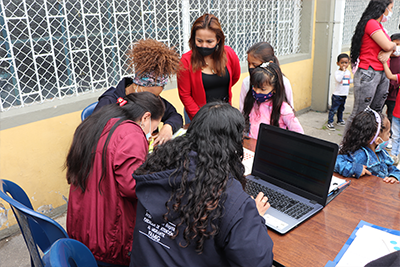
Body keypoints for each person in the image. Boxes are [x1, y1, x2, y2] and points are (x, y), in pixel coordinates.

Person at [129, 102, 274, 267]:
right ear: (233, 145)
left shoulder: (156, 168)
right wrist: (256, 218)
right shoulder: (228, 197)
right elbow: (258, 262)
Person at [65, 92, 165, 266]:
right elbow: (132, 186)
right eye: (155, 127)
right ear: (146, 117)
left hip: (81, 231)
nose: (153, 133)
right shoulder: (131, 133)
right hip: (107, 242)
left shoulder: (98, 122)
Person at [93, 39, 182, 146]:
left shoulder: (152, 99)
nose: (153, 99)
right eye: (150, 95)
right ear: (138, 86)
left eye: (156, 95)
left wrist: (168, 127)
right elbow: (96, 135)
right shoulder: (110, 101)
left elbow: (174, 115)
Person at [345, 0, 397, 134]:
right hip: (370, 73)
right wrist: (391, 46)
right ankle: (345, 147)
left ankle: (366, 144)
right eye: (390, 8)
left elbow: (391, 48)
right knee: (360, 113)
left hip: (382, 73)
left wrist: (390, 48)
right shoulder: (371, 24)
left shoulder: (380, 26)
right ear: (383, 8)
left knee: (375, 114)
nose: (391, 12)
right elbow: (388, 45)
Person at [177, 13, 241, 121]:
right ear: (194, 39)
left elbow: (235, 77)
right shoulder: (186, 60)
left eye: (209, 41)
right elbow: (185, 94)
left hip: (224, 113)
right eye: (199, 41)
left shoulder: (228, 53)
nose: (204, 46)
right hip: (197, 115)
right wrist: (202, 119)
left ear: (218, 40)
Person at [334, 107, 400, 184]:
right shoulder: (358, 154)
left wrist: (394, 176)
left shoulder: (382, 153)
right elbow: (335, 161)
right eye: (388, 133)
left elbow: (392, 168)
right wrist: (354, 169)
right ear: (378, 140)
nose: (390, 135)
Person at [242, 62, 303, 139]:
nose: (257, 92)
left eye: (262, 89)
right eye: (254, 87)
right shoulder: (252, 102)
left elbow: (299, 133)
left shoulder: (284, 109)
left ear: (274, 89)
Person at [239, 41, 294, 112]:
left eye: (255, 65)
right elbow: (242, 110)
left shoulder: (284, 83)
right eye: (249, 63)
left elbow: (290, 113)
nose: (250, 67)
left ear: (269, 64)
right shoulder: (246, 82)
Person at [378, 47, 400, 164]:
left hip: (397, 113)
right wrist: (385, 63)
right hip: (397, 113)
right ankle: (394, 156)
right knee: (395, 136)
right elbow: (390, 76)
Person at [327, 53, 352, 131]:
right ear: (338, 63)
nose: (344, 64)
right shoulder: (338, 73)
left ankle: (339, 120)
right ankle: (330, 122)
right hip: (337, 95)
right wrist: (343, 72)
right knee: (334, 109)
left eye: (346, 62)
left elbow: (348, 81)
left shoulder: (348, 72)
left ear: (349, 63)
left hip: (344, 94)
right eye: (342, 63)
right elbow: (338, 80)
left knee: (341, 109)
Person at [383, 33, 400, 148]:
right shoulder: (386, 56)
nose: (395, 46)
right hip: (384, 90)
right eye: (393, 43)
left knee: (391, 115)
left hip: (395, 93)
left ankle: (390, 137)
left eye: (398, 44)